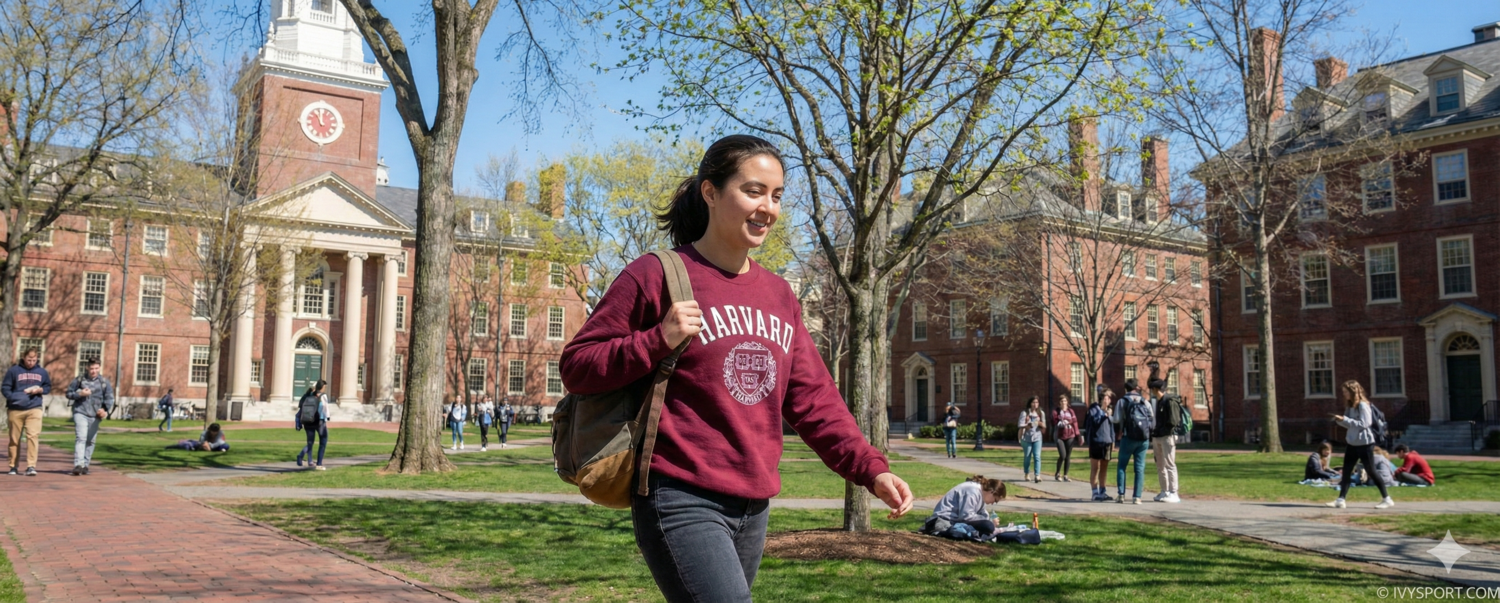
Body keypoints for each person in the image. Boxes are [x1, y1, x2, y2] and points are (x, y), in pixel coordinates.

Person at [560, 134, 913, 602]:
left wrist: (870, 469)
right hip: (680, 495)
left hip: (754, 504)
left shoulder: (779, 296)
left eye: (777, 195)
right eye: (753, 191)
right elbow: (577, 366)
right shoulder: (656, 274)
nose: (768, 207)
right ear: (710, 192)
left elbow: (814, 401)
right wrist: (655, 340)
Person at [1326, 380, 1394, 509]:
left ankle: (1387, 498)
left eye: (1346, 392)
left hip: (1365, 443)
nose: (1344, 394)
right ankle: (1340, 500)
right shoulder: (1350, 406)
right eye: (1344, 392)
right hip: (1352, 442)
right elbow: (1349, 424)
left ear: (1353, 392)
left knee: (1371, 471)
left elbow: (1364, 424)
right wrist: (1340, 420)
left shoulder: (1363, 405)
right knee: (1346, 471)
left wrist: (1345, 419)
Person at [4, 348, 51, 476]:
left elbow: (47, 387)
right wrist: (13, 397)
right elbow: (5, 387)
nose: (31, 362)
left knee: (32, 437)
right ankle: (13, 466)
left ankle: (31, 466)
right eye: (29, 360)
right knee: (14, 439)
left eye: (34, 360)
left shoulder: (42, 372)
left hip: (34, 408)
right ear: (23, 358)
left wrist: (40, 390)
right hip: (16, 409)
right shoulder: (13, 371)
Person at [65, 359, 115, 476]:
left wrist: (104, 409)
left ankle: (86, 465)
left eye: (96, 368)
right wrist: (80, 394)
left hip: (95, 414)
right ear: (87, 368)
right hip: (80, 412)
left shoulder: (104, 382)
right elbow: (68, 393)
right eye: (91, 368)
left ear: (99, 368)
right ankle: (78, 464)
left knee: (90, 441)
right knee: (81, 438)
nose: (94, 371)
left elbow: (109, 398)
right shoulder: (79, 380)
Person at [1112, 378, 1152, 504]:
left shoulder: (1122, 401)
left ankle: (1121, 495)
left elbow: (1116, 419)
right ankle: (1137, 497)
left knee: (1122, 466)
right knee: (1139, 468)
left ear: (1126, 389)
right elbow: (1152, 419)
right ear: (1136, 388)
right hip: (1143, 439)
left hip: (1128, 437)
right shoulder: (1145, 401)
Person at [926, 475, 1008, 535]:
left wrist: (989, 521)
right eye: (995, 500)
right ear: (992, 492)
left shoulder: (981, 494)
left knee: (988, 526)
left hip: (955, 521)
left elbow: (982, 513)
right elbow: (966, 516)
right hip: (943, 520)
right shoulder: (972, 491)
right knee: (988, 526)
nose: (993, 503)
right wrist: (989, 522)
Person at [1147, 377, 1183, 503]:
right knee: (1160, 465)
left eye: (1152, 388)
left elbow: (1173, 420)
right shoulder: (1159, 401)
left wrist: (1163, 429)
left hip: (1167, 436)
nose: (1151, 391)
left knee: (1170, 464)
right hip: (1158, 436)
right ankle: (1165, 491)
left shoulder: (1169, 401)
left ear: (1156, 389)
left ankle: (1174, 492)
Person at [1083, 386, 1115, 502]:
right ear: (1102, 397)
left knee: (1104, 468)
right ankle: (1094, 492)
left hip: (1106, 441)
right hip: (1096, 441)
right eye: (1108, 397)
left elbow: (1111, 425)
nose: (1109, 400)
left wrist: (1112, 439)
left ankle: (1102, 491)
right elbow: (1095, 422)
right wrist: (1103, 411)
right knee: (1095, 468)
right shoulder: (1094, 408)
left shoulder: (1109, 410)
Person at [295, 380, 329, 470]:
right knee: (323, 442)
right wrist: (327, 418)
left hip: (308, 420)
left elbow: (301, 407)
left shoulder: (308, 395)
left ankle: (301, 456)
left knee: (310, 442)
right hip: (319, 421)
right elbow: (325, 409)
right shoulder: (323, 396)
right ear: (322, 387)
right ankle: (319, 464)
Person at [1051, 395, 1078, 482]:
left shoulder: (1071, 411)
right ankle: (1058, 473)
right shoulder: (1056, 412)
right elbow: (1054, 422)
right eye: (1062, 401)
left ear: (1067, 402)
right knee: (1063, 455)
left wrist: (1078, 434)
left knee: (1068, 456)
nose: (1063, 403)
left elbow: (1075, 422)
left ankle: (1065, 475)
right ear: (1059, 402)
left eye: (1065, 401)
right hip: (1060, 436)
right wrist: (1061, 422)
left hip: (1070, 435)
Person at [1018, 396, 1045, 483]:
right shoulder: (1025, 413)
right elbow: (1020, 425)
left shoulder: (1041, 413)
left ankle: (1037, 475)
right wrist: (1027, 425)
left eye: (1037, 402)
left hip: (1037, 437)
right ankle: (1026, 473)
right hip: (1027, 438)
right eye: (1033, 402)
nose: (1035, 404)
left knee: (1037, 456)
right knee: (1027, 457)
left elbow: (1044, 425)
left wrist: (1038, 422)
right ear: (1030, 403)